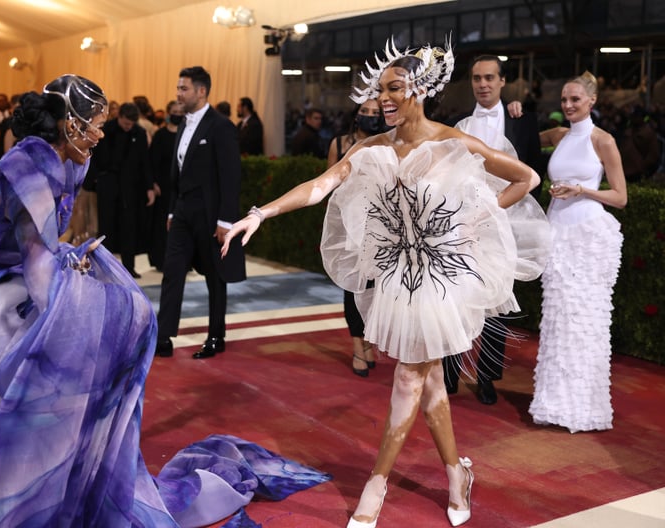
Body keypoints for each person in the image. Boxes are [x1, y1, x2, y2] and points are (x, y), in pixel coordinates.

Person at [0, 74, 328, 527]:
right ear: (69, 124)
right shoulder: (28, 164)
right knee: (24, 394)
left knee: (52, 388)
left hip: (27, 282)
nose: (101, 134)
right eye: (94, 124)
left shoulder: (73, 159)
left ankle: (46, 495)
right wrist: (95, 312)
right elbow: (36, 264)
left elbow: (48, 250)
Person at [223, 39, 549, 528]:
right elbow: (320, 186)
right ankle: (456, 474)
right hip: (398, 278)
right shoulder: (371, 147)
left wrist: (470, 220)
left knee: (408, 376)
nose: (383, 100)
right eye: (380, 91)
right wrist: (259, 214)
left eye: (394, 88)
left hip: (439, 281)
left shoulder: (452, 142)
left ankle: (375, 485)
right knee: (432, 380)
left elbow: (526, 179)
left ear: (420, 89)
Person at [443, 54, 546, 405]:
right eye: (476, 78)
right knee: (455, 297)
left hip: (505, 223)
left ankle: (487, 376)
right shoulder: (458, 127)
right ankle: (449, 371)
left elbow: (534, 177)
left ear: (503, 81)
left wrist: (506, 212)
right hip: (464, 225)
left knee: (498, 302)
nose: (483, 84)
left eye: (489, 77)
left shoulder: (522, 121)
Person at [529, 71, 627, 433]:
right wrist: (514, 112)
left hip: (587, 236)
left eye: (575, 100)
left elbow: (621, 197)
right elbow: (518, 142)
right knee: (557, 319)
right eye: (565, 100)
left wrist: (582, 190)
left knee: (586, 323)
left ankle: (585, 408)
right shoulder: (558, 136)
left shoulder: (604, 141)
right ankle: (553, 404)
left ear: (591, 102)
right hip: (558, 233)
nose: (568, 105)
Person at [154, 66, 246, 359]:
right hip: (182, 213)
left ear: (201, 91)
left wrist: (225, 220)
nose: (178, 94)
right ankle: (164, 336)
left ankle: (216, 336)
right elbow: (176, 174)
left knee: (214, 278)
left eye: (183, 89)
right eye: (178, 88)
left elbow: (231, 176)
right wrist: (171, 211)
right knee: (172, 272)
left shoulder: (220, 126)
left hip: (210, 216)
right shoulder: (182, 123)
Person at [326, 98, 385, 377]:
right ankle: (356, 346)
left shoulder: (386, 144)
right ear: (356, 114)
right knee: (353, 287)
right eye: (365, 111)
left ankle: (368, 342)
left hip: (379, 228)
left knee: (373, 289)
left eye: (376, 112)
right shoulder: (339, 145)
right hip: (349, 227)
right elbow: (329, 184)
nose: (369, 116)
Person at [89, 102, 154, 277]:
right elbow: (93, 156)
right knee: (107, 226)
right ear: (119, 117)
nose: (128, 127)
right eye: (125, 123)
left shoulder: (139, 133)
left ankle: (129, 267)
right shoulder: (106, 130)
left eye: (131, 124)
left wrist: (149, 187)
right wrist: (95, 179)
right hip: (108, 182)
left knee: (129, 226)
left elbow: (144, 162)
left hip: (131, 186)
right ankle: (106, 267)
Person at [148, 100, 184, 270]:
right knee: (162, 224)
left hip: (182, 186)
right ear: (169, 113)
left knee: (182, 223)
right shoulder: (161, 135)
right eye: (174, 111)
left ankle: (183, 260)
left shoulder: (186, 133)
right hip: (163, 186)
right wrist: (153, 183)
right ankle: (161, 259)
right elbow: (152, 161)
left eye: (180, 111)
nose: (177, 114)